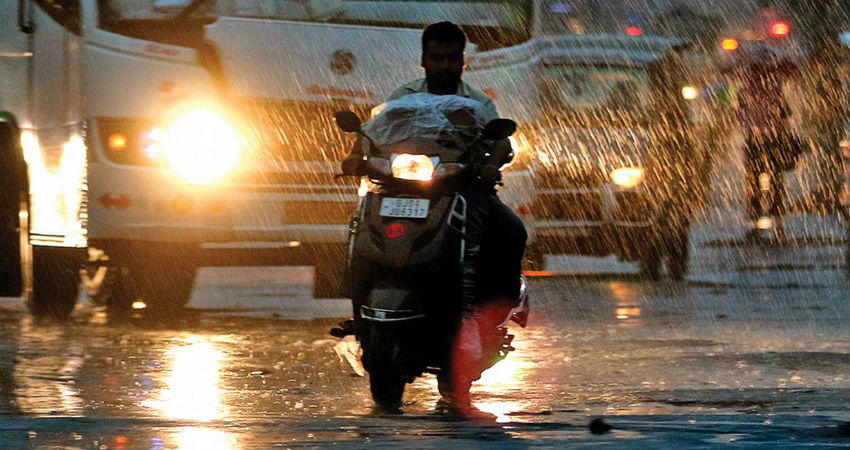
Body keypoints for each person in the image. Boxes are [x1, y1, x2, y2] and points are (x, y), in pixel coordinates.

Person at [340, 21, 528, 414]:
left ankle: (490, 311)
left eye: (451, 58)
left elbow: (499, 145)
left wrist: (491, 162)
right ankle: (357, 314)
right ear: (423, 60)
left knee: (511, 229)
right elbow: (375, 134)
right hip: (400, 189)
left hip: (459, 189)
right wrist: (357, 154)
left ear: (462, 60)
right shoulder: (403, 98)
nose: (443, 65)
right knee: (357, 228)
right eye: (436, 58)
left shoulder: (477, 104)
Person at [735, 67, 795, 241]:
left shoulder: (743, 93)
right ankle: (778, 226)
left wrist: (752, 123)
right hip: (773, 142)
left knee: (753, 183)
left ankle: (755, 224)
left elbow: (739, 116)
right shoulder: (775, 92)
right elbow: (786, 114)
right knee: (776, 184)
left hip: (754, 142)